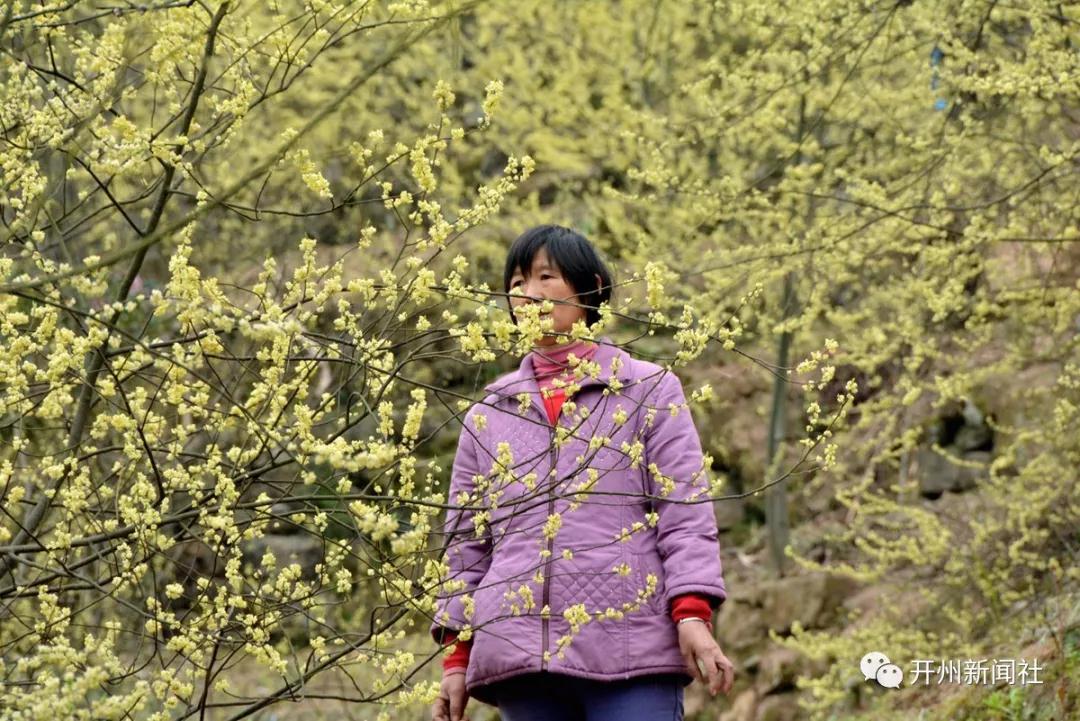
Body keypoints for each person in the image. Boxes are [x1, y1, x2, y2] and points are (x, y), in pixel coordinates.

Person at [431, 225, 734, 721]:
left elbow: (684, 512)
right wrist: (456, 659)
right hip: (520, 659)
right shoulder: (489, 413)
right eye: (515, 284)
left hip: (631, 651)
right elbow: (465, 546)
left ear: (589, 287)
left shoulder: (648, 390)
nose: (527, 294)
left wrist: (693, 613)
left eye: (545, 277)